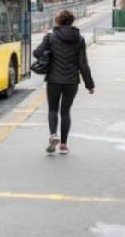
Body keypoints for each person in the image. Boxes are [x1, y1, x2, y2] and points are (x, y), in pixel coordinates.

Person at [33, 9, 95, 155]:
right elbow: (83, 64)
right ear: (72, 21)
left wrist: (45, 40)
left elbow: (36, 53)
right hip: (72, 81)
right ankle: (63, 145)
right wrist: (89, 85)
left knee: (53, 110)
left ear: (58, 21)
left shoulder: (50, 37)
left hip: (54, 80)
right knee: (65, 112)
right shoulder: (79, 39)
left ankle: (53, 135)